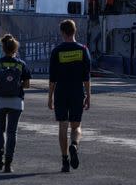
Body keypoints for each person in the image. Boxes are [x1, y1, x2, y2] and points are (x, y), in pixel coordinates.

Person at [48, 19, 91, 173]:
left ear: (62, 32)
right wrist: (88, 96)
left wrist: (50, 97)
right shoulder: (83, 49)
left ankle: (65, 160)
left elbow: (52, 78)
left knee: (62, 125)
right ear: (74, 31)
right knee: (76, 126)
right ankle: (74, 145)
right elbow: (86, 77)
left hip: (61, 91)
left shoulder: (57, 51)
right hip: (77, 91)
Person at [0, 34, 31, 173]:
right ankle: (9, 164)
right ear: (15, 49)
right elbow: (27, 84)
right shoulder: (21, 64)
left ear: (3, 48)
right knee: (12, 132)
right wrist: (18, 84)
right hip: (16, 100)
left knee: (0, 129)